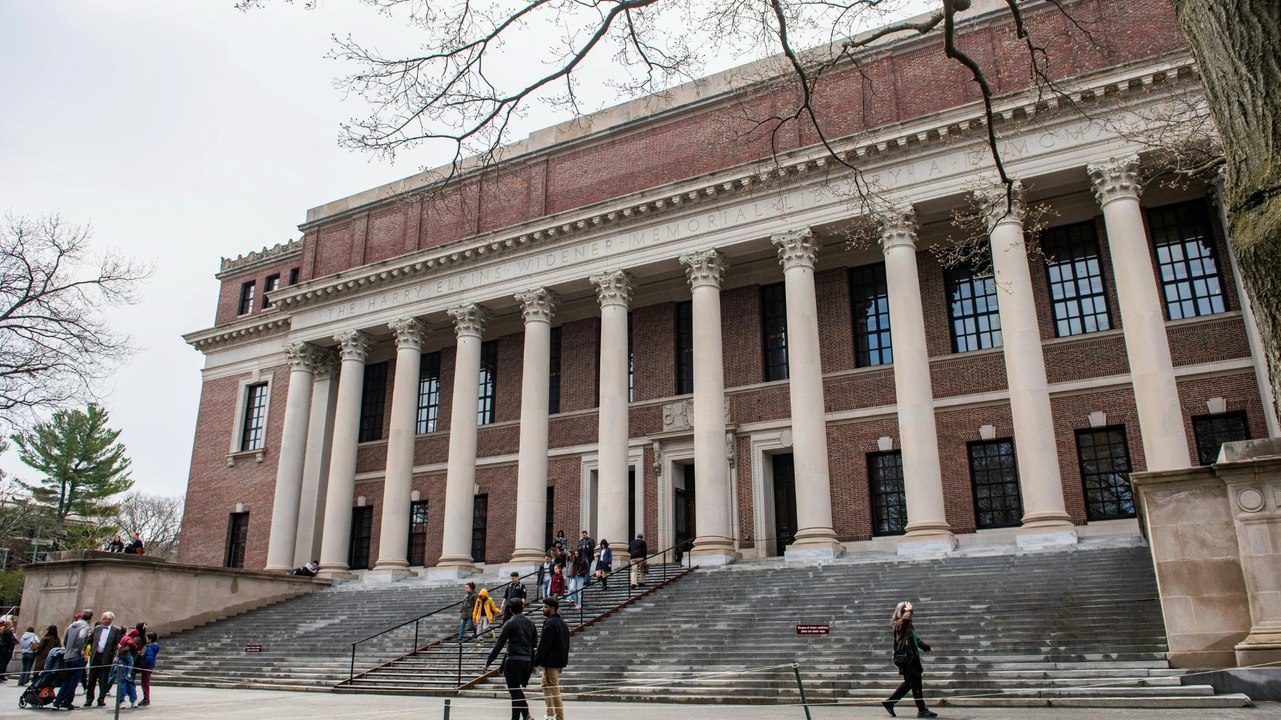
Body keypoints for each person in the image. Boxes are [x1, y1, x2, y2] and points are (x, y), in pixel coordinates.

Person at [882, 601, 937, 718]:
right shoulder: (897, 624)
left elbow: (916, 639)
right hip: (908, 660)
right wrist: (908, 611)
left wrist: (926, 647)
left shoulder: (907, 625)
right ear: (902, 612)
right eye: (907, 612)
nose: (910, 615)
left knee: (909, 683)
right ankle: (921, 710)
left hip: (912, 658)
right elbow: (904, 622)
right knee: (916, 683)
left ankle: (890, 702)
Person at [485, 598, 538, 720]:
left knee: (514, 691)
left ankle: (517, 718)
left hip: (513, 660)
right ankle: (526, 715)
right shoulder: (531, 623)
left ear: (510, 610)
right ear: (522, 608)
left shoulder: (509, 623)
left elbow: (499, 644)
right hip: (527, 660)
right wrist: (533, 664)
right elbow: (534, 645)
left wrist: (488, 661)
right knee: (516, 689)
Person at [535, 597, 571, 720]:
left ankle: (559, 717)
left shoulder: (550, 623)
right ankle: (550, 712)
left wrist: (536, 661)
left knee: (554, 689)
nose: (543, 609)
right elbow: (566, 643)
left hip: (550, 661)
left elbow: (544, 644)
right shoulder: (562, 623)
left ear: (552, 608)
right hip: (558, 660)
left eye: (545, 607)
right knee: (545, 685)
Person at [53, 609, 92, 710]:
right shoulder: (85, 627)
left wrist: (68, 649)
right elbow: (81, 638)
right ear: (90, 618)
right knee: (73, 681)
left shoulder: (71, 625)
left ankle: (57, 702)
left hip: (67, 656)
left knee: (67, 680)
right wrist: (80, 650)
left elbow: (65, 640)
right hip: (76, 656)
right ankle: (66, 703)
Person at [85, 610, 123, 706]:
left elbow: (117, 645)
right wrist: (83, 649)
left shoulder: (116, 630)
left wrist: (115, 655)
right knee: (91, 680)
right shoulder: (97, 628)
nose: (104, 620)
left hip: (106, 657)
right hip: (95, 656)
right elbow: (89, 640)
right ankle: (89, 699)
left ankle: (101, 699)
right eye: (103, 618)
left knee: (103, 680)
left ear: (110, 620)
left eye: (106, 619)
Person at [114, 624, 143, 708]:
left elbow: (120, 647)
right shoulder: (138, 639)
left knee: (123, 681)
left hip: (125, 659)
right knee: (129, 681)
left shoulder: (131, 639)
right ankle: (132, 700)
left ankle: (122, 701)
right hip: (130, 660)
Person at [139, 631, 160, 707]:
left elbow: (149, 658)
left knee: (145, 683)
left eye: (147, 638)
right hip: (149, 667)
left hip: (147, 667)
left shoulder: (150, 648)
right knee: (145, 682)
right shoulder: (154, 647)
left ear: (150, 639)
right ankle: (146, 698)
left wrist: (145, 664)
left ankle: (146, 698)